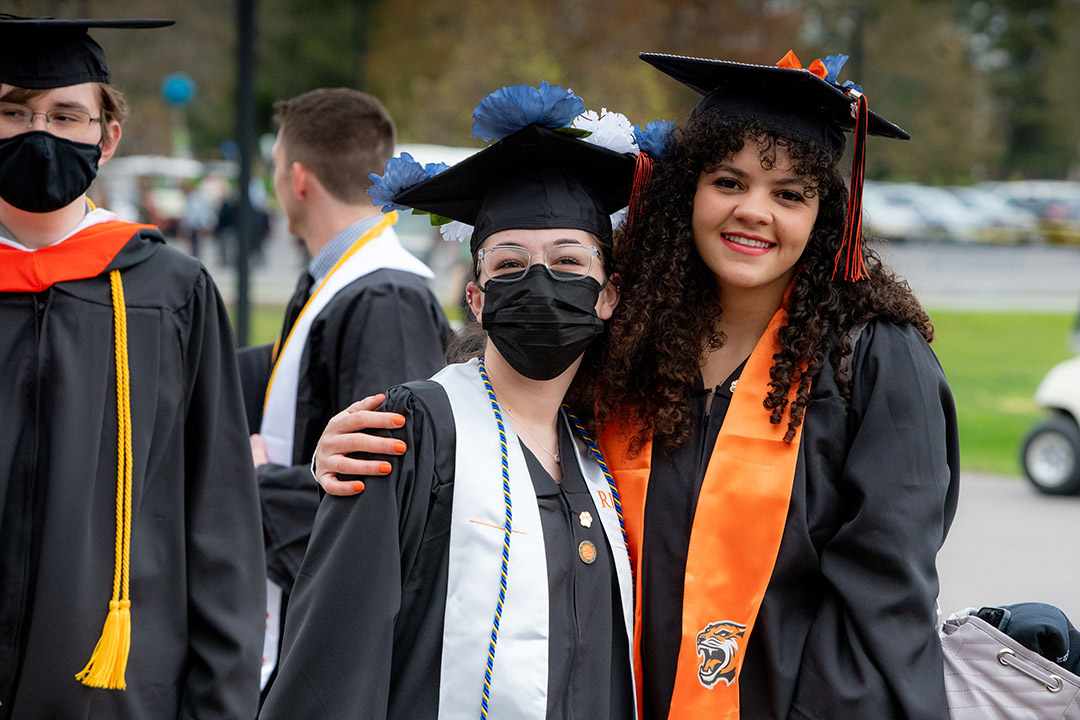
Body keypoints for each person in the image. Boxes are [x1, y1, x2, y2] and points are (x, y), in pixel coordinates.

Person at [313, 52, 961, 719]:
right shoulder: (633, 341)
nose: (754, 212)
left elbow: (883, 608)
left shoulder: (872, 363)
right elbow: (505, 409)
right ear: (689, 191)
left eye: (790, 193)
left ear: (826, 214)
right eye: (729, 181)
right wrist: (372, 440)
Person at [258, 83, 640, 720]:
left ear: (608, 295)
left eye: (569, 260)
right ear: (478, 297)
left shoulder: (607, 450)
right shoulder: (414, 431)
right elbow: (332, 663)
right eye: (509, 263)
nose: (539, 281)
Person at [0, 16, 264, 720]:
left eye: (65, 115)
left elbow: (219, 514)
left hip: (116, 691)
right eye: (13, 111)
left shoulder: (167, 290)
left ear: (106, 137)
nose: (39, 132)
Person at [249, 87, 453, 692]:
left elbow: (384, 488)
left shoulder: (383, 295)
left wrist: (253, 482)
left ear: (299, 178)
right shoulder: (343, 282)